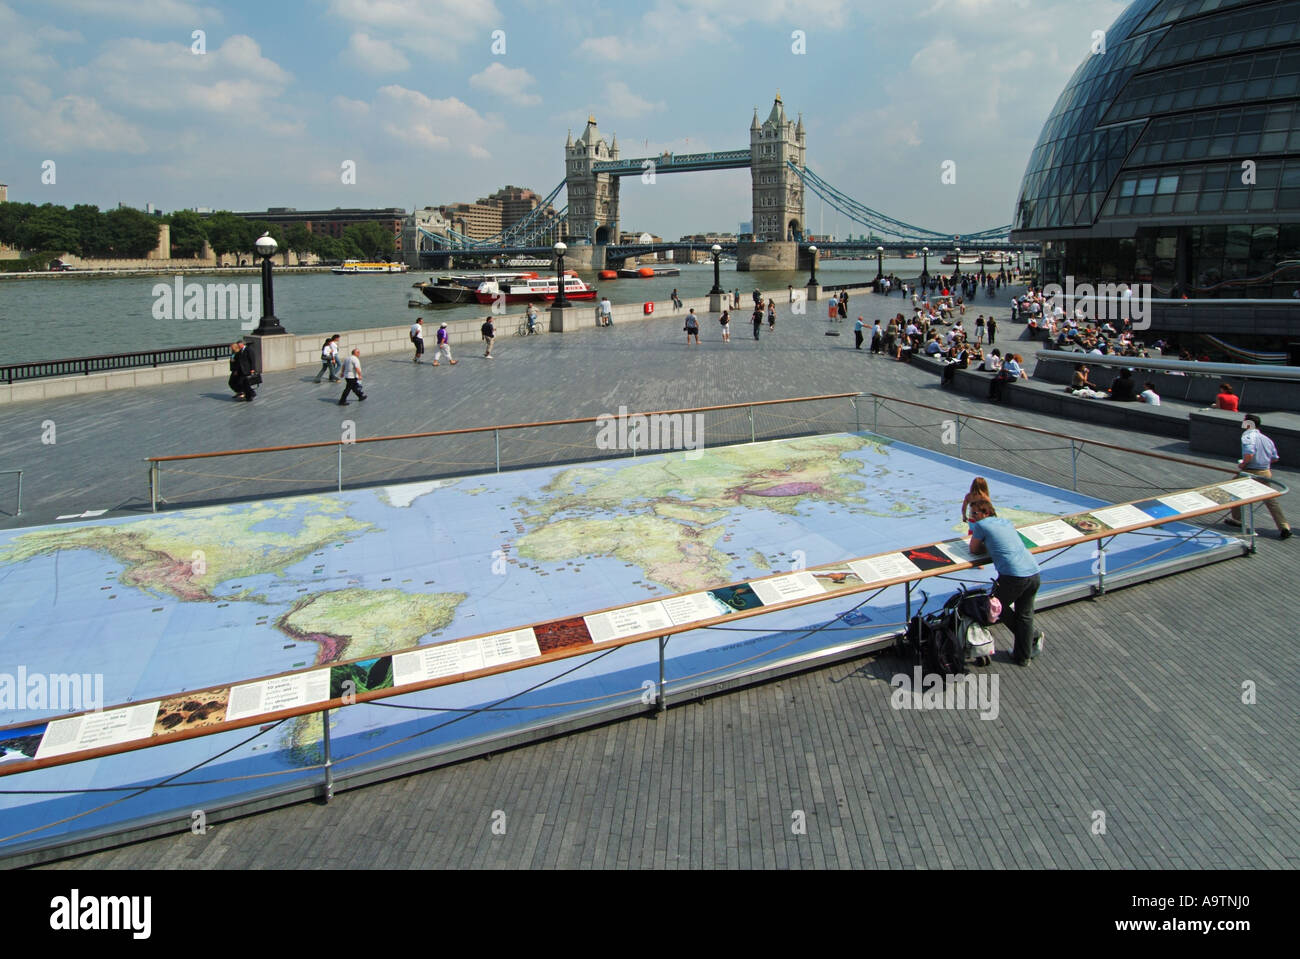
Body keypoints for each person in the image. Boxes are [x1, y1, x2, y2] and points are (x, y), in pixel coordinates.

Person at [967, 496, 1044, 665]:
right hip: (1033, 571)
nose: (972, 517)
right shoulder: (1006, 522)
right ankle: (1023, 656)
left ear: (985, 512)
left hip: (1014, 575)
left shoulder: (981, 525)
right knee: (1025, 614)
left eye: (974, 513)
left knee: (994, 607)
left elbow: (973, 549)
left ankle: (1032, 636)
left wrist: (984, 545)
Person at [1227, 414, 1291, 539]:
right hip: (1265, 472)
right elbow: (1274, 458)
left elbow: (1249, 454)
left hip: (1251, 471)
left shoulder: (1247, 436)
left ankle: (1237, 519)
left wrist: (1243, 464)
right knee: (1270, 499)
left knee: (1232, 489)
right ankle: (1284, 526)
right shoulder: (1266, 439)